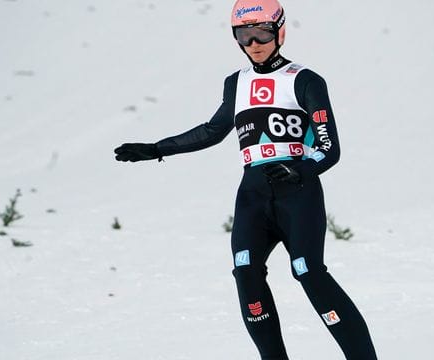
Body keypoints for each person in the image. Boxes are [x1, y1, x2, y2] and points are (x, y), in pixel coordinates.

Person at [114, 0, 378, 358]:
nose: (253, 43)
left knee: (308, 272)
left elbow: (329, 147)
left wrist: (298, 170)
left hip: (297, 193)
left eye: (262, 34)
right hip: (253, 194)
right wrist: (158, 148)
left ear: (280, 32)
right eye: (244, 35)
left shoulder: (305, 80)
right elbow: (212, 131)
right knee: (245, 270)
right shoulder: (236, 83)